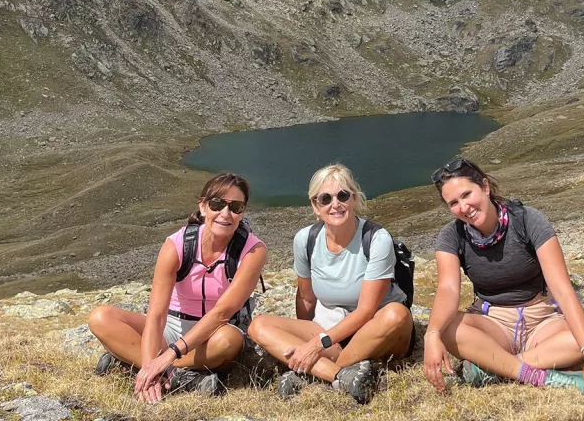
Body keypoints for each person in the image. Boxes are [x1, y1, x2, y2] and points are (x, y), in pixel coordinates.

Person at [422, 157, 584, 404]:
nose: (464, 207)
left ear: (485, 187)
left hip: (542, 319)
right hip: (494, 322)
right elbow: (448, 288)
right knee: (446, 328)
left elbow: (561, 287)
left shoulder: (527, 220)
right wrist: (432, 334)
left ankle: (495, 368)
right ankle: (541, 377)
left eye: (466, 194)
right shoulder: (452, 236)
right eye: (453, 203)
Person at [87, 172, 267, 403]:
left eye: (236, 207)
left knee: (229, 341)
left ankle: (141, 365)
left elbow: (222, 313)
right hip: (171, 327)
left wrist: (168, 356)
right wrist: (158, 357)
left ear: (243, 212)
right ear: (203, 207)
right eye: (217, 204)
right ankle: (174, 375)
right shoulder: (177, 245)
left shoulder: (253, 251)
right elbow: (156, 314)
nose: (225, 213)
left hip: (215, 332)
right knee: (100, 317)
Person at [248, 163, 413, 404]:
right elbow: (306, 297)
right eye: (325, 198)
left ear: (354, 199)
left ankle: (314, 372)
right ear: (316, 206)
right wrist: (304, 344)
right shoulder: (306, 239)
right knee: (258, 326)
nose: (335, 204)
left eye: (343, 195)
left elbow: (367, 311)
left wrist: (315, 345)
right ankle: (338, 375)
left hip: (378, 332)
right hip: (330, 331)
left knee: (396, 314)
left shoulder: (376, 238)